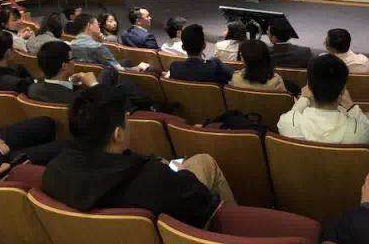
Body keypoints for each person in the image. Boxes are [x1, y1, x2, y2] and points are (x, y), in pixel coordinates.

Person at [42, 85, 235, 228]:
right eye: (126, 120)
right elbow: (203, 202)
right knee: (205, 162)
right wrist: (177, 174)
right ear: (118, 134)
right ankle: (233, 226)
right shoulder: (154, 178)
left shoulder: (53, 171)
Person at [277, 54, 369, 144]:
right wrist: (352, 107)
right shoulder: (359, 133)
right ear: (344, 90)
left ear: (309, 88)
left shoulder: (287, 123)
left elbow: (293, 114)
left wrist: (304, 98)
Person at [70, 14, 149, 72]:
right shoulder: (99, 47)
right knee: (148, 68)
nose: (99, 28)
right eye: (97, 24)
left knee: (126, 62)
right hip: (104, 81)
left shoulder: (71, 45)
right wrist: (139, 68)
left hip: (86, 79)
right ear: (89, 26)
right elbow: (120, 70)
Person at [28, 41, 99, 105]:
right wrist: (94, 85)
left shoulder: (33, 89)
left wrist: (71, 82)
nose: (74, 62)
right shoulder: (80, 100)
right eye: (72, 58)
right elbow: (103, 106)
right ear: (64, 66)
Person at [169, 24, 233, 84]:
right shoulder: (215, 66)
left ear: (183, 47)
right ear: (204, 45)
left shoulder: (174, 67)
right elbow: (233, 76)